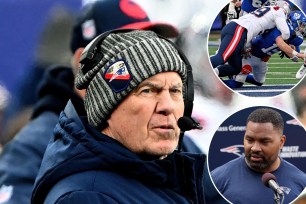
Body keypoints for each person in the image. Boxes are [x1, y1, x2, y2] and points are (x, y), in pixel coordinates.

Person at [0, 0, 184, 203]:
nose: (147, 64)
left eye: (152, 50)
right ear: (82, 64)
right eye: (127, 54)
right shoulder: (34, 145)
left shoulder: (169, 130)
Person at [31, 29, 206, 203]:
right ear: (105, 107)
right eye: (148, 91)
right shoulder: (85, 197)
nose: (167, 106)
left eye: (175, 91)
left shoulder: (162, 177)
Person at [211, 108, 306, 204]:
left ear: (281, 142)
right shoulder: (217, 179)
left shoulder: (301, 182)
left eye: (264, 142)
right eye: (250, 140)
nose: (255, 148)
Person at [210, 1, 300, 78]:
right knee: (222, 57)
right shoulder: (278, 11)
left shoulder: (268, 12)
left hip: (240, 31)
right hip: (239, 29)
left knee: (235, 68)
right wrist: (285, 44)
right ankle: (201, 71)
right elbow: (286, 33)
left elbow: (257, 29)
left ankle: (214, 74)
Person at [223, 9, 306, 88]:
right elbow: (280, 43)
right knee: (237, 83)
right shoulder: (280, 28)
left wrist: (292, 50)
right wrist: (297, 54)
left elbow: (294, 58)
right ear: (294, 21)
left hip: (261, 58)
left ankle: (234, 73)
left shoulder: (297, 38)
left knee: (259, 82)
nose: (303, 28)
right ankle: (223, 79)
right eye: (302, 25)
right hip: (249, 54)